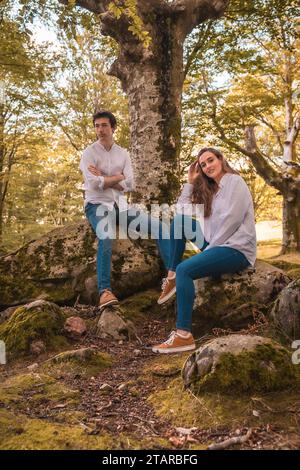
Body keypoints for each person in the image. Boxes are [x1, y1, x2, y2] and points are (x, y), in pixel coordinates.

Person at [152, 147, 256, 354]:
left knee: (186, 270)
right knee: (179, 222)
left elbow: (231, 222)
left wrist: (207, 253)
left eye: (210, 160)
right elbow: (181, 211)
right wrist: (190, 185)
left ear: (220, 159)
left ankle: (183, 335)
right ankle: (171, 275)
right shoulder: (209, 191)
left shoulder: (235, 182)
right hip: (216, 244)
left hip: (236, 248)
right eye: (203, 164)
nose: (208, 166)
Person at [80, 110, 168, 310]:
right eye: (97, 126)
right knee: (106, 235)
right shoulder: (89, 153)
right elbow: (93, 184)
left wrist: (105, 178)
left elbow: (130, 185)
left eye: (104, 125)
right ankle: (105, 291)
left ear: (113, 128)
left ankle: (172, 277)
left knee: (160, 227)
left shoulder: (123, 153)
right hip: (96, 205)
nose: (100, 130)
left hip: (120, 206)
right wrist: (117, 177)